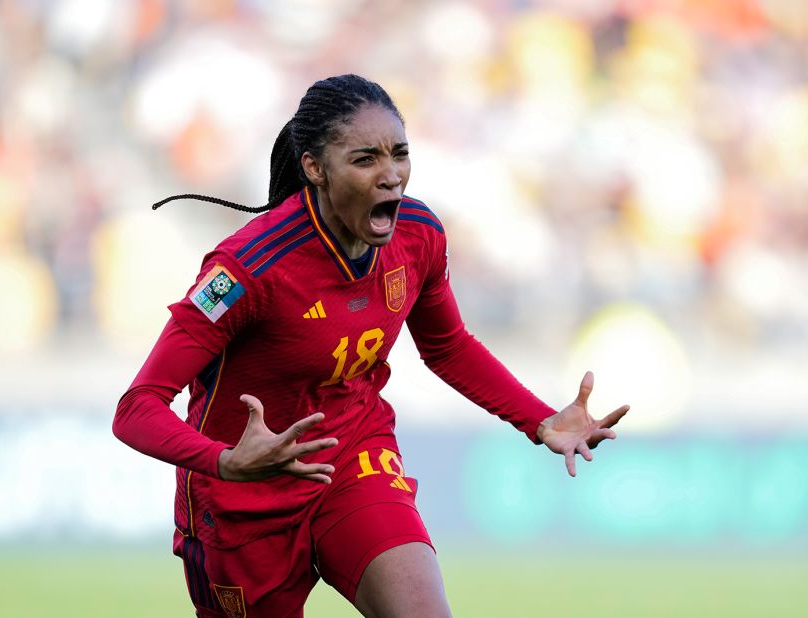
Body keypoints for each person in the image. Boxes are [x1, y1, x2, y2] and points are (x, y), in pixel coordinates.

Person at [113, 73, 629, 618]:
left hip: (353, 461)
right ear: (315, 168)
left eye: (400, 155)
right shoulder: (246, 270)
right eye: (365, 160)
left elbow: (447, 347)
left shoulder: (418, 235)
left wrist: (539, 419)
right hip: (243, 498)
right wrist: (225, 461)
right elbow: (136, 408)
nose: (392, 177)